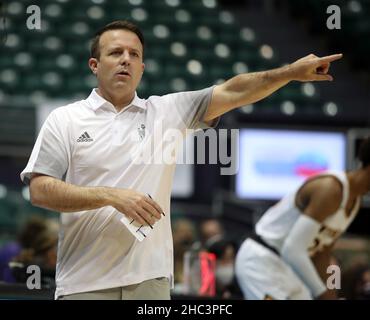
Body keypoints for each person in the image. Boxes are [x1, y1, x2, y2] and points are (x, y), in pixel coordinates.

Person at [20, 20, 342, 300]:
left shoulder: (168, 111)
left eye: (134, 55)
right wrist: (110, 196)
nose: (126, 61)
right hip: (84, 281)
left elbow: (233, 90)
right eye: (115, 53)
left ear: (142, 68)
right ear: (94, 64)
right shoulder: (65, 119)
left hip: (150, 280)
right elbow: (40, 190)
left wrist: (289, 73)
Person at [235, 137, 370, 300]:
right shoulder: (331, 188)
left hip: (291, 266)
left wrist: (331, 292)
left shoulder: (355, 201)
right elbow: (292, 249)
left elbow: (322, 254)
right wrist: (322, 293)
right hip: (263, 259)